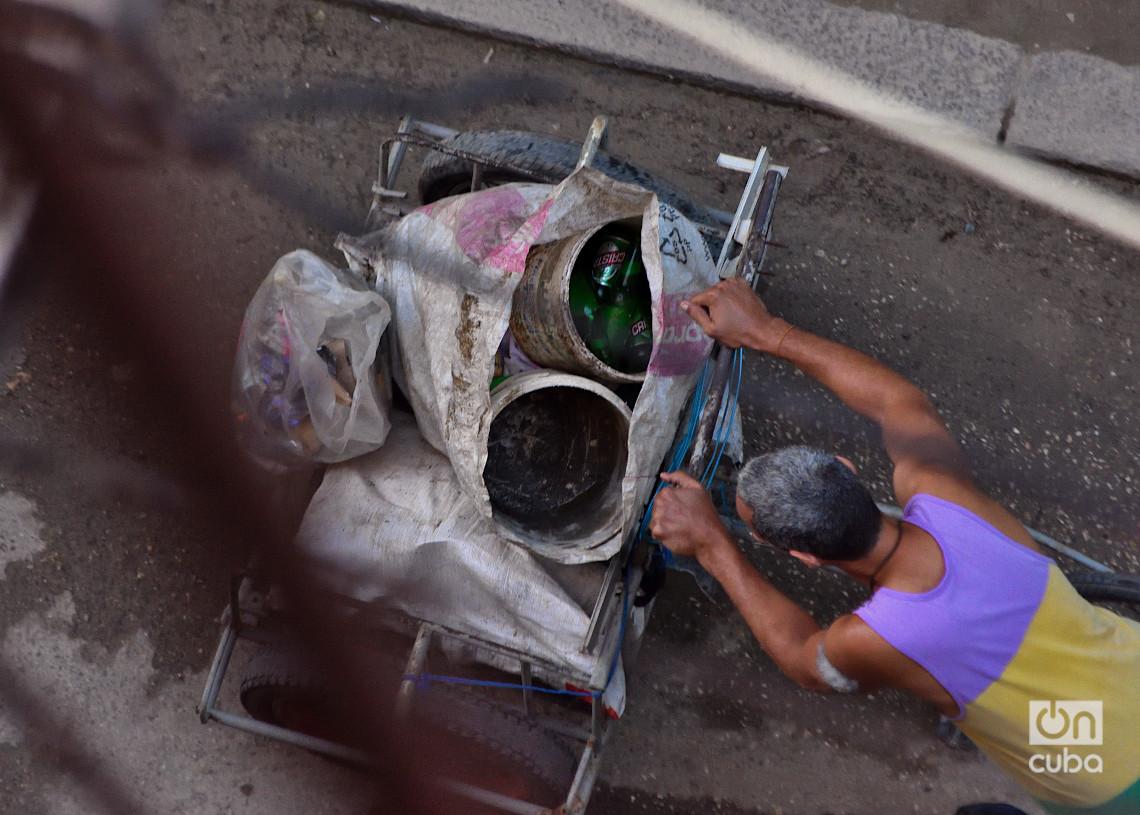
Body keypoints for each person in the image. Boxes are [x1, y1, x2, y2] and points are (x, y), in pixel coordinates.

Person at [648, 278, 1140, 815]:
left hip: (1109, 788)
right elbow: (896, 401)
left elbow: (800, 658)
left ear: (806, 557)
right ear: (848, 468)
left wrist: (713, 544)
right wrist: (767, 331)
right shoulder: (943, 493)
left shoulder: (878, 637)